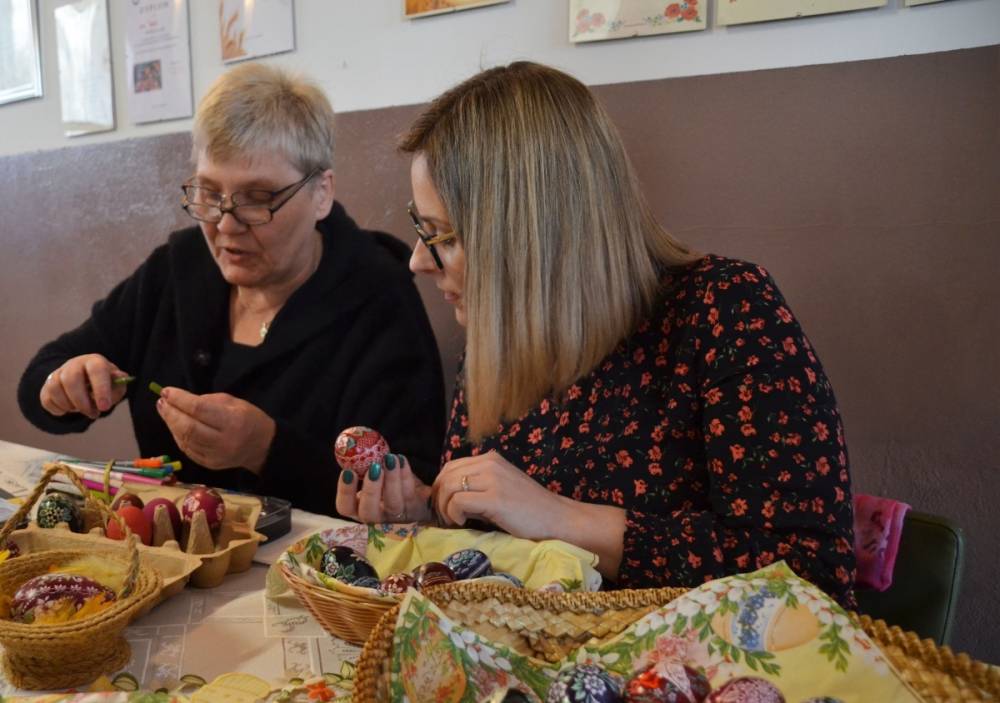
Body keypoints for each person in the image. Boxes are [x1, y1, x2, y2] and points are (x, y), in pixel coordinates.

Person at [335, 61, 856, 605]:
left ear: (533, 233)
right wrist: (427, 513)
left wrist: (560, 517)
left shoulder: (726, 309)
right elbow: (503, 555)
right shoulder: (500, 334)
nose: (418, 261)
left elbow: (810, 574)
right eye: (421, 229)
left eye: (443, 236)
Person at [18, 63, 445, 516]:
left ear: (321, 193)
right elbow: (39, 383)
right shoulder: (176, 270)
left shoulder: (377, 296)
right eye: (208, 194)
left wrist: (267, 451)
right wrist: (64, 386)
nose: (225, 225)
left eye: (257, 199)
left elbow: (409, 494)